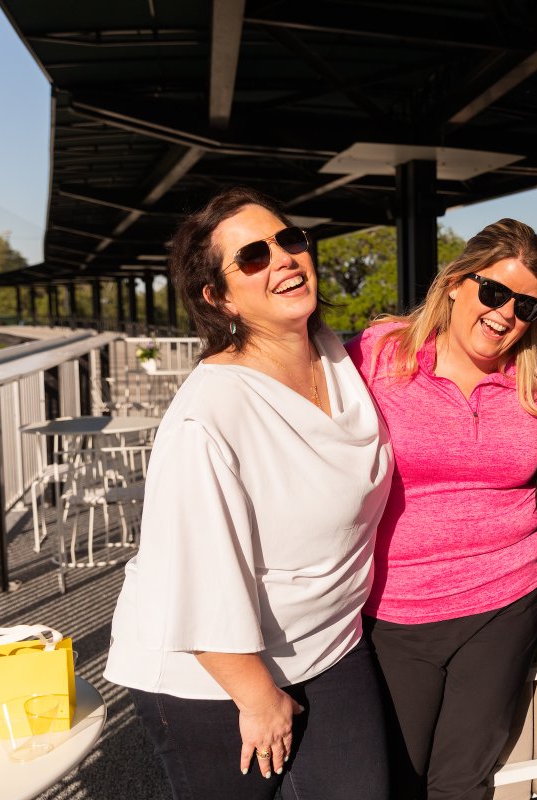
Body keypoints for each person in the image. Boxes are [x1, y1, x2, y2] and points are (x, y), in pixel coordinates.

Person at [103, 187, 394, 800]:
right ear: (219, 296)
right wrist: (257, 698)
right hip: (215, 678)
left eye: (289, 240)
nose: (283, 258)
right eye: (253, 256)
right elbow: (195, 577)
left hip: (330, 641)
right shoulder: (208, 417)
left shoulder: (336, 356)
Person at [346, 218, 537, 800]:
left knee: (463, 782)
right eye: (493, 292)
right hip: (396, 609)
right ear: (458, 282)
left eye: (526, 306)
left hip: (506, 600)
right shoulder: (376, 354)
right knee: (398, 777)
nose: (506, 313)